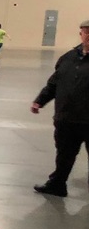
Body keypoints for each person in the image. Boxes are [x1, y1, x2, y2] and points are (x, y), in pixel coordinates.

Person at [30, 20, 89, 197]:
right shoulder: (68, 58)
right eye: (86, 32)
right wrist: (40, 100)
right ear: (81, 34)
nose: (88, 35)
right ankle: (57, 185)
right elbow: (55, 82)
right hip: (67, 118)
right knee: (64, 154)